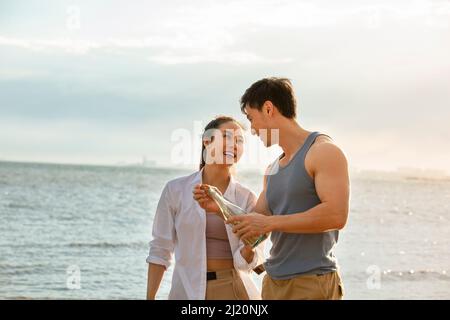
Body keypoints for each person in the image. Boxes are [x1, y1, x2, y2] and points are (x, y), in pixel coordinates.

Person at [194, 78, 350, 300]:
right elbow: (255, 224)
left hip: (311, 282)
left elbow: (336, 215)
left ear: (268, 109)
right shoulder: (272, 170)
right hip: (273, 283)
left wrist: (270, 223)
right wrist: (219, 205)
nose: (253, 130)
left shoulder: (323, 152)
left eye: (251, 118)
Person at [146, 116, 265, 300]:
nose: (234, 145)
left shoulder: (246, 197)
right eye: (226, 136)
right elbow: (160, 249)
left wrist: (251, 246)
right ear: (207, 141)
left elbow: (247, 261)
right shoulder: (176, 190)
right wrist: (150, 297)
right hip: (185, 290)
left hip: (232, 288)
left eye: (239, 140)